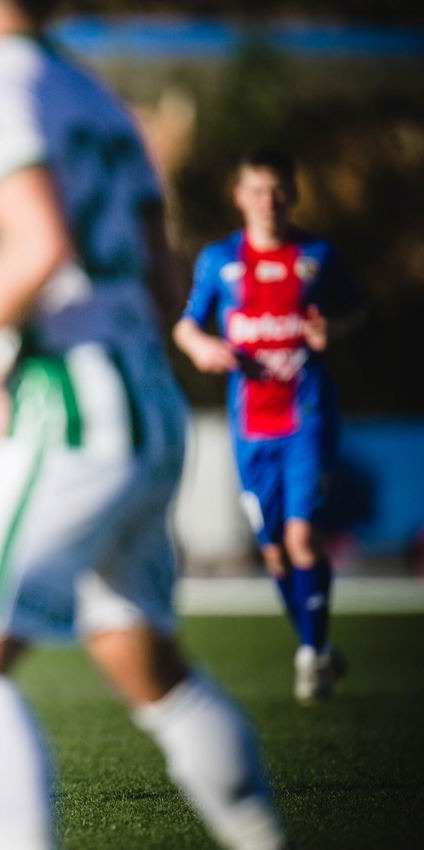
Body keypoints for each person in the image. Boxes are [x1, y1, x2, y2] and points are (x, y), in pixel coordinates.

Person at [0, 1, 286, 849]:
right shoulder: (95, 96)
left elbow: (38, 246)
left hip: (71, 410)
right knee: (144, 661)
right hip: (148, 405)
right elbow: (164, 282)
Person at [174, 148, 360, 703]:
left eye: (278, 191)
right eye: (257, 190)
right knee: (275, 552)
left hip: (307, 417)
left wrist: (333, 330)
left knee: (302, 537)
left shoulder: (317, 256)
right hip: (251, 425)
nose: (269, 202)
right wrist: (202, 347)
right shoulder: (219, 260)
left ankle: (310, 656)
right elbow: (186, 326)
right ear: (240, 197)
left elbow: (356, 309)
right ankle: (318, 645)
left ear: (293, 195)